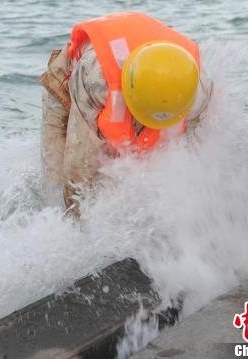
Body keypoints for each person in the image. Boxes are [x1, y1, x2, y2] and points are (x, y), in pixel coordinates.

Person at [39, 12, 213, 218]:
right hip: (75, 77)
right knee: (58, 180)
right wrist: (77, 218)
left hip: (144, 59)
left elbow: (196, 152)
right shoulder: (96, 80)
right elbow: (78, 167)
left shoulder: (197, 90)